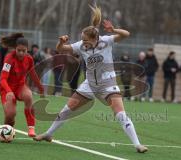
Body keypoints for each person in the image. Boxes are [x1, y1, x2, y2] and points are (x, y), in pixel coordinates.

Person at [34, 4, 148, 153]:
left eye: (85, 39)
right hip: (90, 84)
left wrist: (113, 30)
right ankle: (48, 134)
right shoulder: (81, 45)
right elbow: (61, 49)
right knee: (68, 109)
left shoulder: (106, 41)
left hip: (108, 83)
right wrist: (61, 42)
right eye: (82, 39)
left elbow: (126, 34)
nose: (82, 41)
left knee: (120, 113)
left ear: (95, 38)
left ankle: (137, 145)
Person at [0, 33, 44, 137]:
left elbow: (32, 74)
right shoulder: (9, 58)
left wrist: (40, 86)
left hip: (20, 86)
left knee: (28, 96)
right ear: (15, 48)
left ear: (27, 50)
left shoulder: (29, 59)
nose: (21, 53)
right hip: (7, 88)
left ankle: (31, 128)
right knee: (10, 115)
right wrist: (9, 91)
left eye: (24, 51)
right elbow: (2, 79)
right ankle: (8, 129)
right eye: (19, 50)